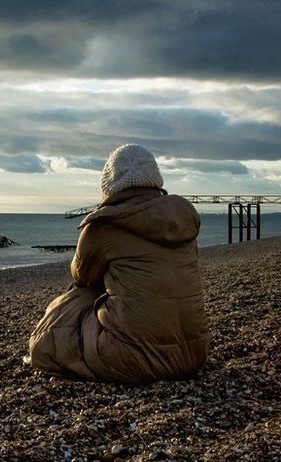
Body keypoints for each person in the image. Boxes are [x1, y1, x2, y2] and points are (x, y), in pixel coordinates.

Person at [27, 144, 209, 384]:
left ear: (109, 184)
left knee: (77, 298)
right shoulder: (183, 220)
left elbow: (82, 278)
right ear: (155, 179)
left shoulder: (103, 225)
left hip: (133, 361)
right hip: (195, 355)